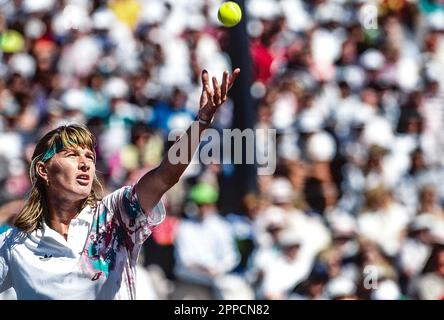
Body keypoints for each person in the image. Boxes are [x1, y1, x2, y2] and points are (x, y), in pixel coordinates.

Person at [0, 68, 240, 300]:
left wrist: (201, 122)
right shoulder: (13, 244)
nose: (85, 163)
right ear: (43, 170)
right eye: (72, 155)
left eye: (90, 157)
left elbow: (164, 177)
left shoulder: (113, 217)